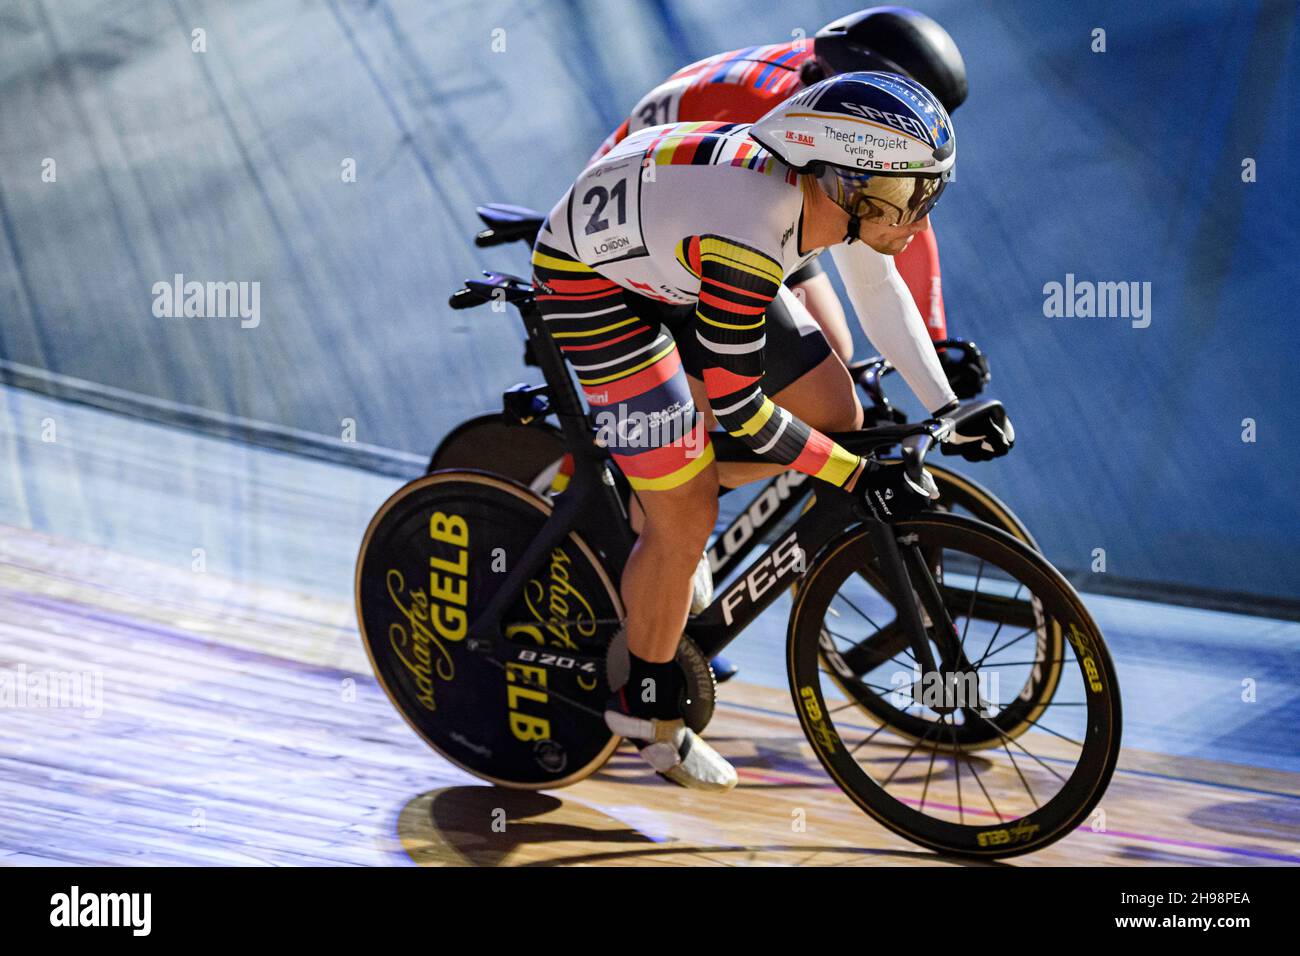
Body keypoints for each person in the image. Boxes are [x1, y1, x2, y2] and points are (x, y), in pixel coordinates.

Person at [531, 72, 1014, 790]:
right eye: (915, 196)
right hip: (597, 288)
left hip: (674, 253)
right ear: (856, 184)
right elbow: (742, 412)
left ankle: (652, 489)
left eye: (931, 193)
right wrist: (851, 475)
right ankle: (647, 708)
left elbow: (879, 289)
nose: (923, 217)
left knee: (836, 409)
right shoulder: (755, 235)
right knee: (687, 514)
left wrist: (946, 407)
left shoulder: (822, 198)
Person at [590, 7, 969, 359]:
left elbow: (905, 208)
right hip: (650, 211)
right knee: (819, 358)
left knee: (832, 349)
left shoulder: (830, 81)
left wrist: (936, 344)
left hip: (702, 179)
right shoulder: (773, 112)